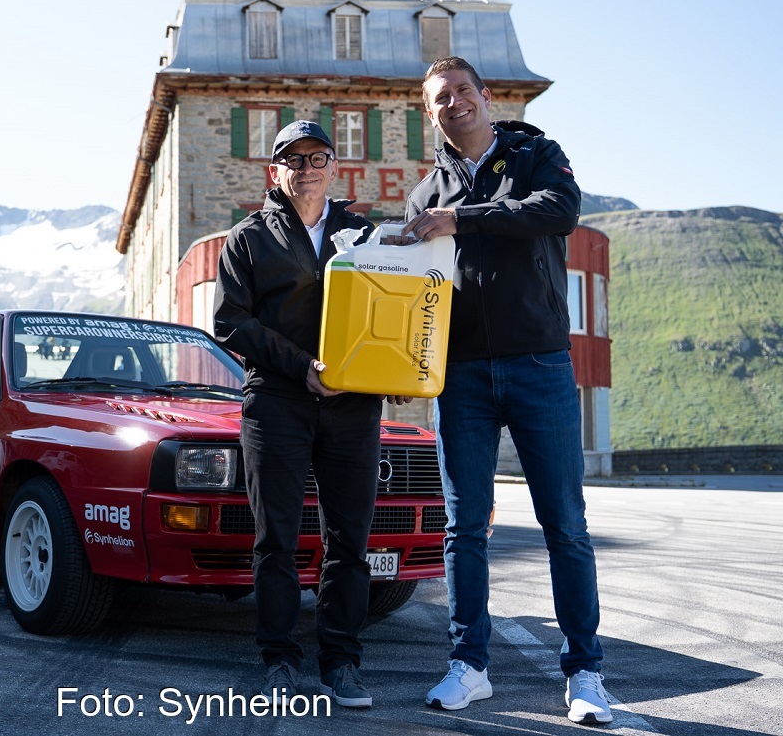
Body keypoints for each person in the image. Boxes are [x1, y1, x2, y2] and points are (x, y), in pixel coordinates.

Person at [402, 56, 612, 725]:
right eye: (441, 98)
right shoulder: (422, 194)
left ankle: (585, 673)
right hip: (460, 375)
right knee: (463, 527)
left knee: (565, 524)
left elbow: (560, 211)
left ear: (485, 96)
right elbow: (416, 293)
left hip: (538, 363)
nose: (454, 103)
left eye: (463, 90)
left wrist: (462, 218)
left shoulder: (536, 154)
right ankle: (469, 665)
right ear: (429, 112)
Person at [214, 120, 408, 709]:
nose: (306, 168)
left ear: (334, 167)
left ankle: (341, 663)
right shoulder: (248, 238)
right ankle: (278, 658)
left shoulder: (364, 234)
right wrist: (300, 367)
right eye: (293, 159)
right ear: (275, 171)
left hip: (352, 406)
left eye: (317, 157)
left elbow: (392, 305)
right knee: (276, 539)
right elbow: (230, 322)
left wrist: (395, 370)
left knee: (349, 540)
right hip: (277, 402)